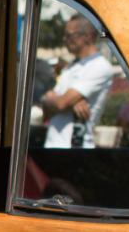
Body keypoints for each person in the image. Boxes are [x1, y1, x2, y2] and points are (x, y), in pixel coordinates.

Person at [40, 14, 114, 149]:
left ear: (87, 36)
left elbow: (61, 104)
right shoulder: (71, 68)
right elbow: (46, 112)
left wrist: (55, 99)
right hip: (53, 146)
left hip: (75, 149)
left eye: (69, 35)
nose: (65, 39)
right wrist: (51, 98)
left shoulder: (100, 66)